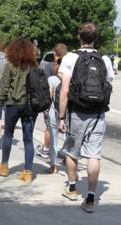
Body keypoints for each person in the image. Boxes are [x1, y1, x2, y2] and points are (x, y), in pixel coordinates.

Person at [58, 23, 114, 213]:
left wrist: (61, 116)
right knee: (94, 154)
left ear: (80, 37)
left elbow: (64, 91)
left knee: (72, 151)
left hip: (77, 112)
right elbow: (108, 85)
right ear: (95, 38)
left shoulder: (70, 58)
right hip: (98, 113)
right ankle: (90, 198)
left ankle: (72, 188)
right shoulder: (105, 60)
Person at [0, 37, 38, 184]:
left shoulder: (10, 66)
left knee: (8, 134)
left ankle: (4, 166)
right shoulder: (35, 67)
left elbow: (3, 90)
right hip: (30, 107)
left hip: (13, 105)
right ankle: (28, 172)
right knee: (28, 139)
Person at [45, 43, 68, 174]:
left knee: (54, 140)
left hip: (55, 112)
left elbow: (49, 98)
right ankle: (68, 160)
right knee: (68, 138)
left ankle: (53, 166)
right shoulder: (70, 80)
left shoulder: (52, 79)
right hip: (68, 113)